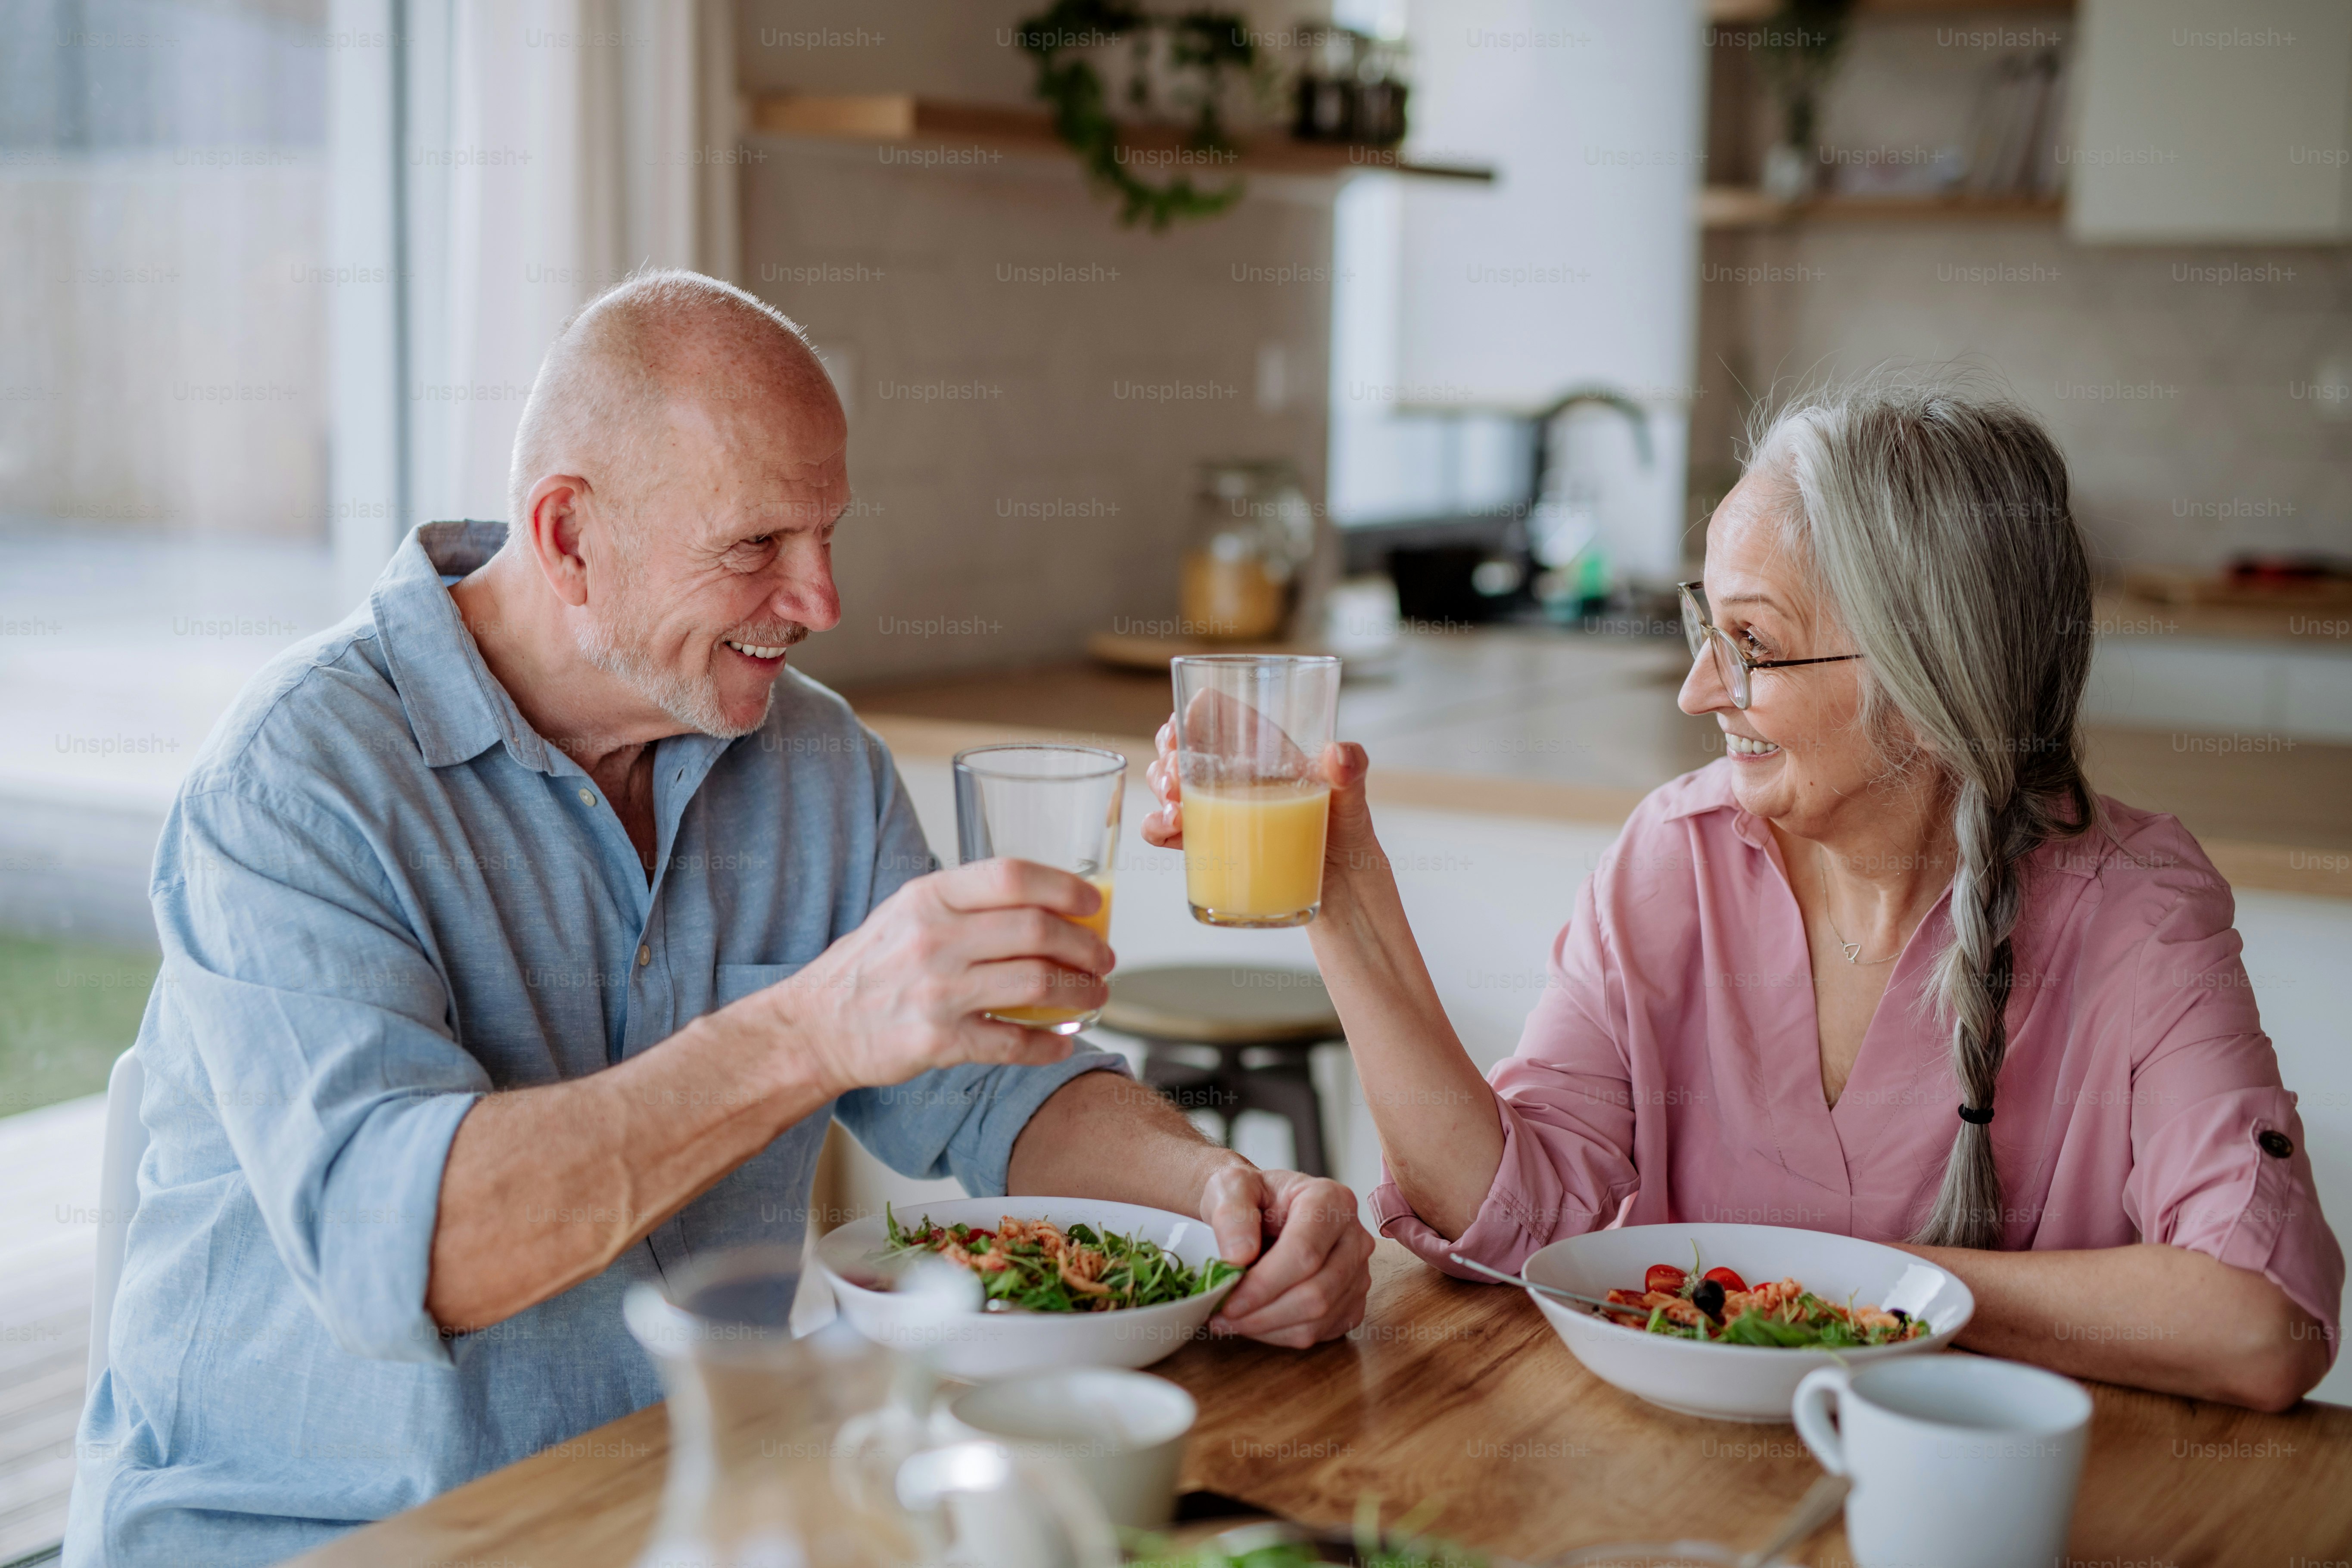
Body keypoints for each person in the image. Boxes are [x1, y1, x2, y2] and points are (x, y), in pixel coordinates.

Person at [68, 270, 1373, 1566]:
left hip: (693, 1507)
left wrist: (1216, 1200)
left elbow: (995, 1091)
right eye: (757, 546)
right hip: (324, 1537)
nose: (821, 603)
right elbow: (415, 1253)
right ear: (570, 536)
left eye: (826, 536)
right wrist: (813, 1030)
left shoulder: (815, 765)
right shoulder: (297, 781)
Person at [1146, 378, 2340, 1411]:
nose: (1696, 689)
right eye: (1700, 627)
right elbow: (1505, 1219)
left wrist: (1846, 1293)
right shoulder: (1680, 857)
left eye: (1751, 642)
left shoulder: (2133, 908)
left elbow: (2258, 1325)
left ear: (1921, 673)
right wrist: (1340, 893)